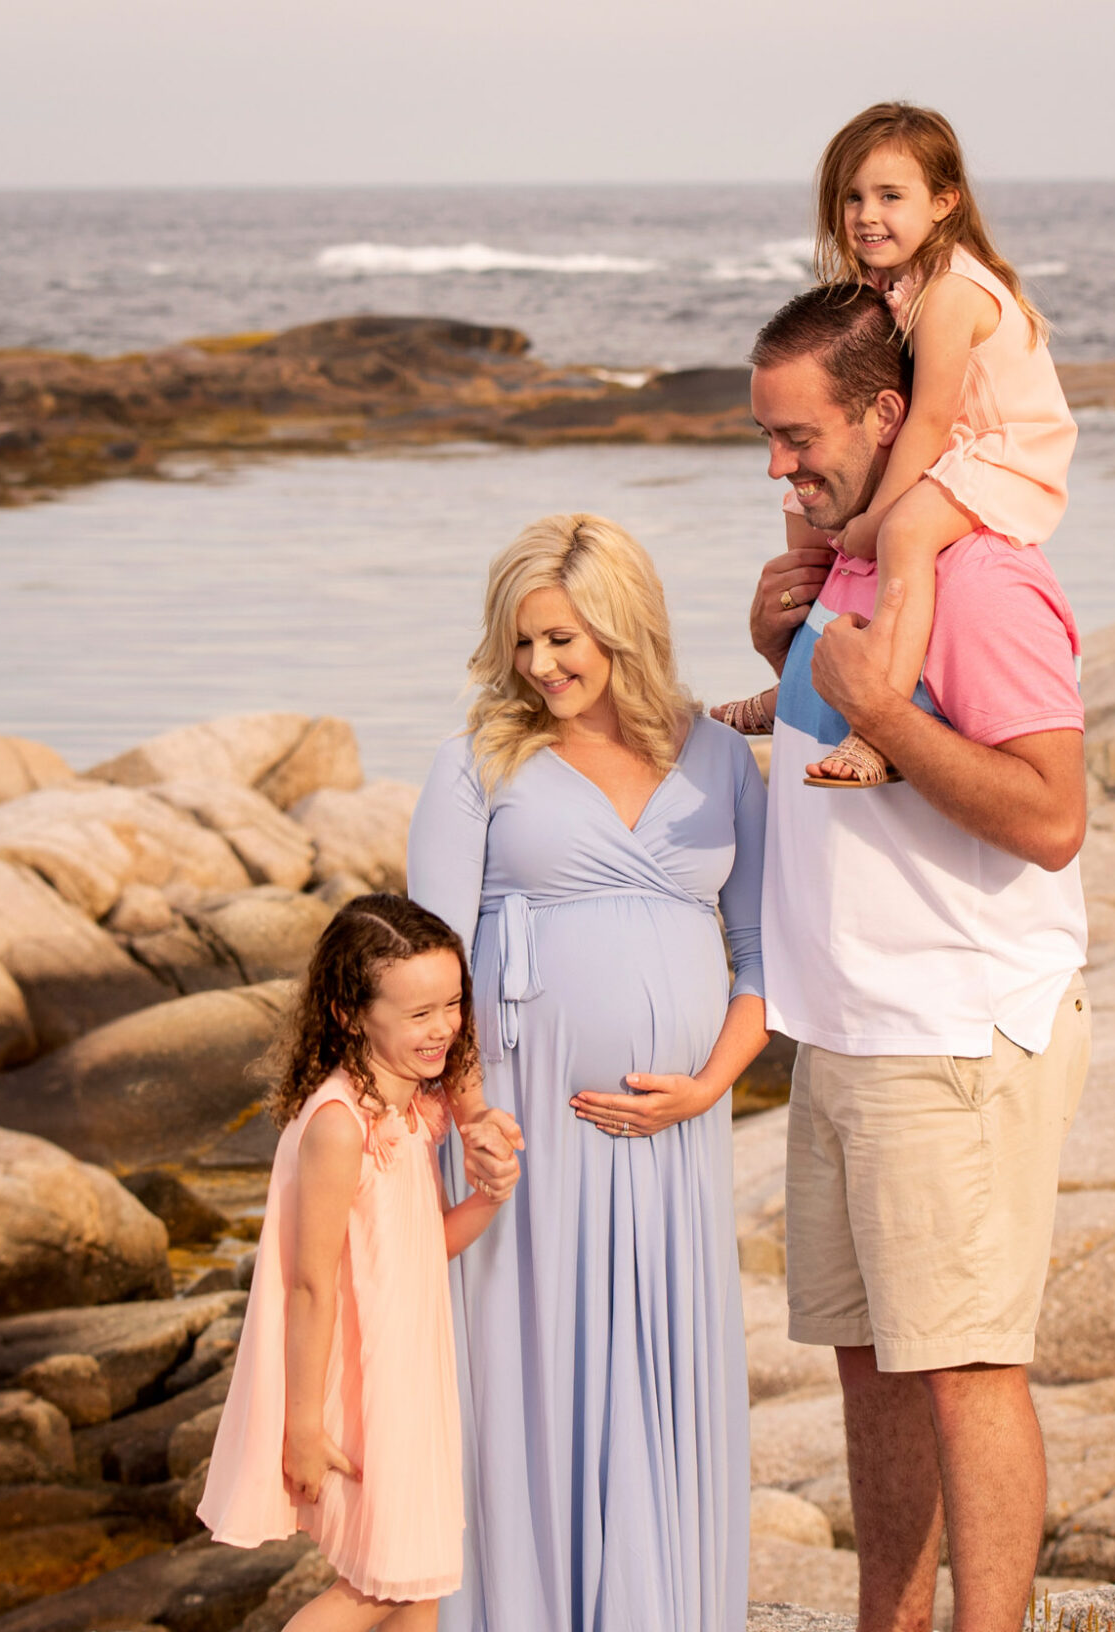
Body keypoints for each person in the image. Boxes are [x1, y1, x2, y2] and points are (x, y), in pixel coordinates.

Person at [740, 283, 1091, 1632]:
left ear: (888, 413)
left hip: (952, 1039)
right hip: (847, 1037)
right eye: (764, 439)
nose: (777, 465)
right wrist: (788, 661)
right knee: (872, 1371)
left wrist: (888, 708)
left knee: (966, 1373)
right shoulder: (853, 574)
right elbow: (844, 774)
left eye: (795, 435)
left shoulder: (988, 580)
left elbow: (1050, 817)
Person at [407, 512, 769, 1632]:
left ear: (623, 624)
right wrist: (472, 1110)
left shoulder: (716, 757)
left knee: (660, 1364)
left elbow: (761, 956)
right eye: (522, 643)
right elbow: (427, 960)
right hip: (519, 1116)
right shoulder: (478, 762)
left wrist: (709, 1084)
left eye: (562, 637)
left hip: (674, 1129)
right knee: (527, 1359)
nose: (542, 665)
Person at [717, 100, 1077, 787]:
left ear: (943, 202)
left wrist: (878, 517)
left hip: (1006, 452)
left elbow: (931, 417)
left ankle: (873, 726)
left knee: (904, 535)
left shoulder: (949, 293)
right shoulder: (893, 285)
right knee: (805, 505)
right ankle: (796, 676)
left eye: (889, 195)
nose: (865, 215)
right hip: (957, 446)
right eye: (851, 197)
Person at [198, 894, 509, 1632]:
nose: (442, 1030)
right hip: (362, 1384)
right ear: (347, 1013)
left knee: (419, 1580)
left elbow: (413, 1252)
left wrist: (489, 1199)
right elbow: (308, 1288)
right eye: (417, 1014)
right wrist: (301, 1426)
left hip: (409, 1374)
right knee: (384, 1587)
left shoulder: (409, 1109)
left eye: (452, 1004)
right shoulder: (340, 1127)